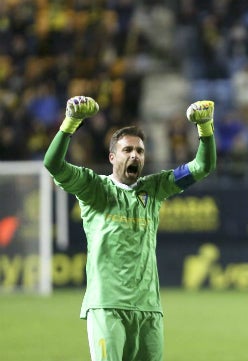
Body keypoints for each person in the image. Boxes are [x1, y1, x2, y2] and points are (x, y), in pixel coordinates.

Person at [43, 96, 217, 361]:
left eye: (140, 151)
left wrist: (205, 128)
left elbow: (203, 166)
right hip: (107, 306)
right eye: (128, 150)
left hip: (148, 308)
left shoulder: (155, 188)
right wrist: (71, 122)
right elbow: (53, 164)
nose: (135, 155)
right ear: (112, 157)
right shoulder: (94, 188)